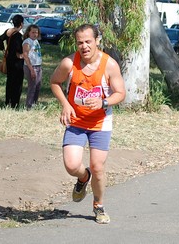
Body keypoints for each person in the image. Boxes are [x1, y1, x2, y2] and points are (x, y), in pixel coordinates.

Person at [50, 24, 126, 224]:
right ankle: (84, 178)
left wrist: (103, 102)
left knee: (98, 167)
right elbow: (54, 82)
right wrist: (65, 105)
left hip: (100, 122)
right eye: (80, 42)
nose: (84, 46)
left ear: (97, 41)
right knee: (72, 165)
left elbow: (120, 93)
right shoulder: (69, 63)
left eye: (88, 42)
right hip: (76, 121)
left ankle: (98, 206)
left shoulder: (109, 65)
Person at [0, 14, 25, 108]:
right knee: (17, 83)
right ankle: (14, 103)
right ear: (21, 24)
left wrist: (4, 50)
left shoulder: (8, 32)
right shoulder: (19, 36)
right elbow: (18, 49)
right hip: (17, 62)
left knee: (10, 81)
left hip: (9, 60)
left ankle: (7, 101)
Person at [22, 24, 42, 110]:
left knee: (37, 86)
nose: (35, 34)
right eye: (33, 32)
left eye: (36, 32)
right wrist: (31, 69)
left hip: (38, 66)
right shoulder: (27, 42)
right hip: (31, 67)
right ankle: (29, 106)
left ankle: (34, 104)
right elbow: (26, 56)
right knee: (32, 87)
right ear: (28, 33)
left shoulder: (36, 41)